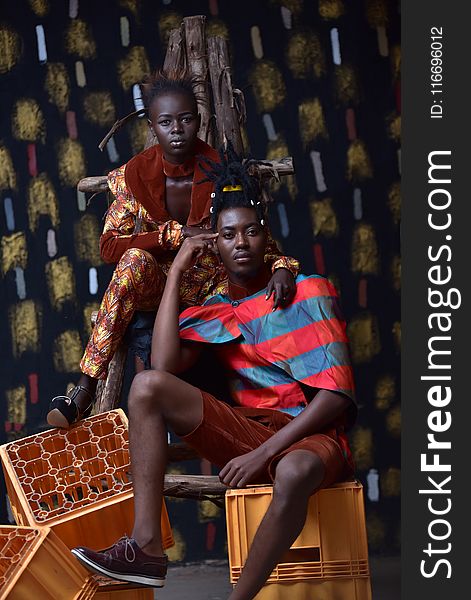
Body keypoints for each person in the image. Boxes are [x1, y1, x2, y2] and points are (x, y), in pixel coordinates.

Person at [71, 147, 357, 600]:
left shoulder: (309, 291)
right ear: (215, 244)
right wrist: (178, 268)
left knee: (295, 471)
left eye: (251, 232)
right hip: (249, 431)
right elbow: (163, 367)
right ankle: (145, 547)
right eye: (228, 234)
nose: (240, 242)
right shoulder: (216, 311)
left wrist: (261, 456)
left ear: (267, 239)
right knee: (146, 387)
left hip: (310, 435)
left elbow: (336, 398)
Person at [46, 71, 299, 428]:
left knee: (250, 309)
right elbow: (109, 247)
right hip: (159, 287)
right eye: (166, 122)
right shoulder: (133, 176)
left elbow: (259, 242)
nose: (177, 129)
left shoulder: (223, 173)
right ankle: (84, 389)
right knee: (133, 260)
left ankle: (264, 412)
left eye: (185, 119)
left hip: (213, 290)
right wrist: (171, 236)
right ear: (153, 126)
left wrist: (284, 266)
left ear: (198, 120)